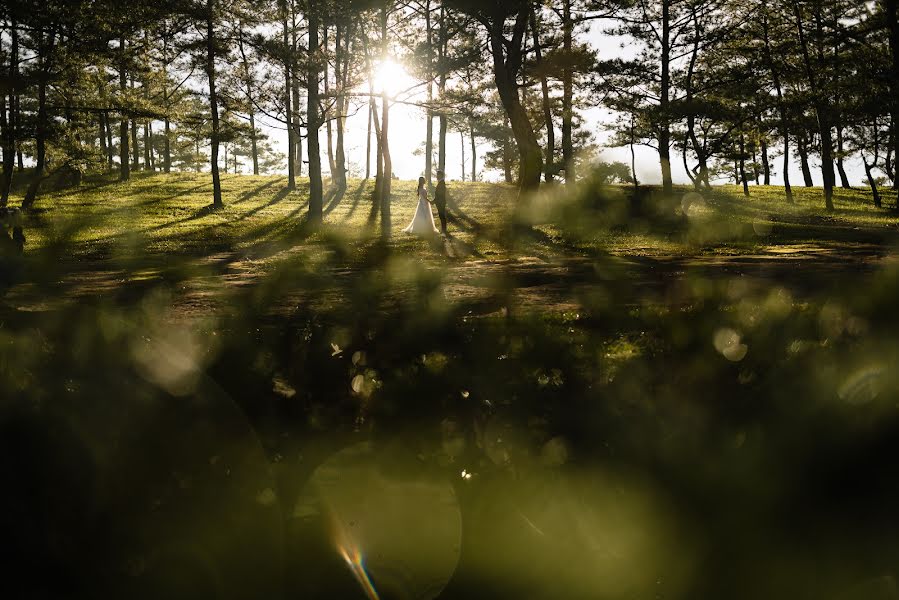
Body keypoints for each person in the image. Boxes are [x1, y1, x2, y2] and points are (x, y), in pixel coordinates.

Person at [434, 170, 448, 235]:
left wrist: (434, 201)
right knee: (441, 216)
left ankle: (444, 231)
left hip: (441, 203)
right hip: (440, 202)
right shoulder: (441, 182)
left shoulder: (442, 183)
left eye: (437, 175)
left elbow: (439, 195)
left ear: (440, 175)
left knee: (442, 216)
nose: (436, 176)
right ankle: (443, 230)